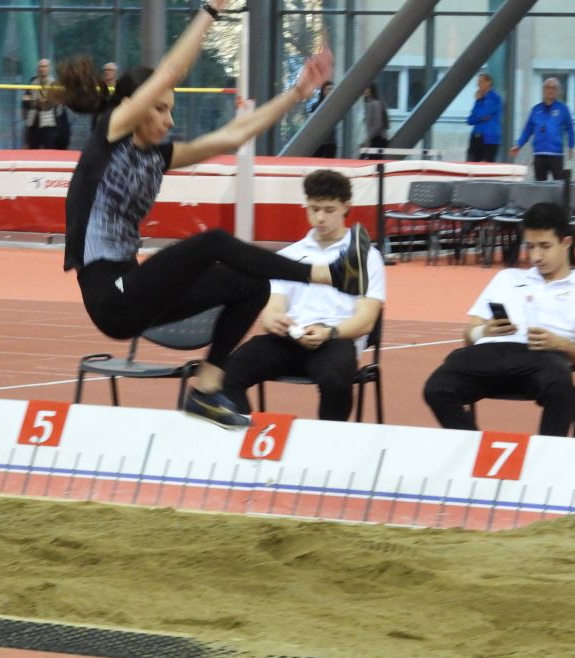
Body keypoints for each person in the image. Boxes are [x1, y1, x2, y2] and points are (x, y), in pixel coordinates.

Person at [63, 1, 369, 430]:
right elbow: (170, 72)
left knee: (251, 285)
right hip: (109, 297)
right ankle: (328, 275)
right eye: (160, 108)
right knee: (213, 243)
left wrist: (296, 95)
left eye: (171, 110)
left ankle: (207, 388)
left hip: (137, 295)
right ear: (133, 105)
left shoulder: (158, 156)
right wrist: (210, 11)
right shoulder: (111, 134)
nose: (169, 120)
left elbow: (233, 134)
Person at [422, 202, 575, 437]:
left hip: (542, 358)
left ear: (566, 242)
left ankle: (543, 456)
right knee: (437, 388)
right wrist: (484, 332)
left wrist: (560, 344)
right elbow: (469, 335)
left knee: (563, 391)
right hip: (489, 355)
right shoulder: (506, 278)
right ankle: (476, 449)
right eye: (530, 247)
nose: (536, 256)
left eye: (545, 246)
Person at [222, 170, 386, 421]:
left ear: (346, 207)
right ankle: (248, 434)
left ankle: (328, 441)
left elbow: (366, 321)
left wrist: (329, 332)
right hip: (290, 340)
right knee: (225, 374)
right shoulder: (289, 255)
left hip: (336, 339)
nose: (320, 217)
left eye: (329, 210)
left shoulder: (366, 257)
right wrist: (277, 323)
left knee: (336, 382)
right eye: (314, 209)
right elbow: (271, 312)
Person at [510, 78, 574, 181]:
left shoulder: (563, 109)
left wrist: (571, 146)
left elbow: (570, 128)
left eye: (554, 88)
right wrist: (519, 144)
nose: (551, 90)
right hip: (539, 154)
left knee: (558, 185)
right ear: (543, 90)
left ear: (558, 91)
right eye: (548, 87)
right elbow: (528, 130)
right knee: (539, 185)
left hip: (556, 154)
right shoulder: (536, 109)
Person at [23, 59, 69, 150]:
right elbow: (27, 101)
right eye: (40, 66)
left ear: (49, 68)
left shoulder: (54, 84)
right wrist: (37, 103)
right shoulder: (32, 83)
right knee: (32, 148)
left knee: (49, 148)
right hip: (33, 120)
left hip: (49, 121)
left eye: (44, 66)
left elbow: (52, 104)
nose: (42, 69)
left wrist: (37, 102)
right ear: (37, 69)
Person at [465, 72, 501, 162]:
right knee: (470, 164)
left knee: (487, 166)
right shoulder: (479, 100)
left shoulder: (494, 98)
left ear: (488, 82)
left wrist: (478, 117)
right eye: (478, 82)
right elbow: (470, 120)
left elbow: (483, 113)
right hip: (475, 136)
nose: (478, 85)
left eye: (480, 82)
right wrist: (480, 118)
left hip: (489, 138)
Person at [308, 80, 338, 159]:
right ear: (323, 91)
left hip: (330, 141)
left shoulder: (335, 105)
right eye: (328, 89)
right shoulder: (315, 106)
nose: (330, 91)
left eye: (332, 89)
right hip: (317, 141)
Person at [360, 84, 389, 159]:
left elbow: (378, 124)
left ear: (371, 90)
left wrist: (368, 138)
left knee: (371, 160)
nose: (364, 91)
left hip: (377, 139)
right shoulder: (369, 104)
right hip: (374, 138)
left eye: (367, 89)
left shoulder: (375, 103)